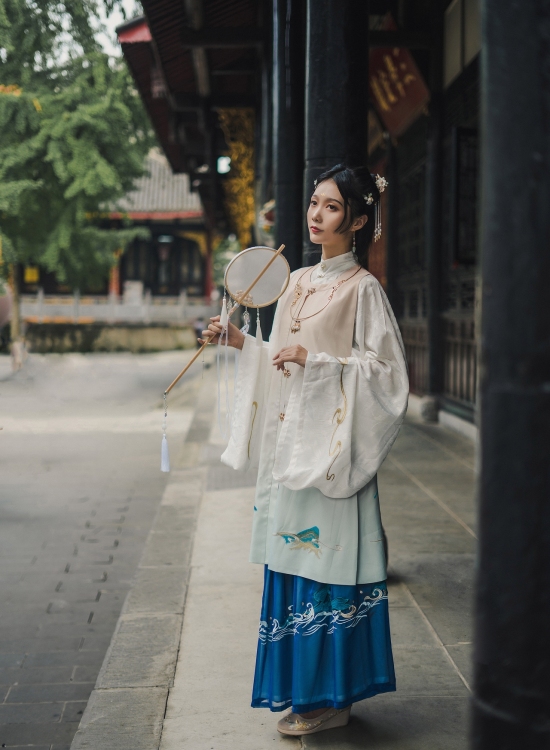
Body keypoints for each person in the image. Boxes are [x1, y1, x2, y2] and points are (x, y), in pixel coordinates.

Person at [201, 164, 409, 736]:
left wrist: (317, 363)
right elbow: (278, 356)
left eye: (333, 207)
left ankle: (333, 694)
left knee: (328, 568)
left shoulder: (364, 290)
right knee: (293, 563)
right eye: (315, 203)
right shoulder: (293, 282)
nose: (317, 216)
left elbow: (387, 377)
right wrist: (238, 340)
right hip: (291, 444)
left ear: (359, 220)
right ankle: (305, 688)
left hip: (333, 452)